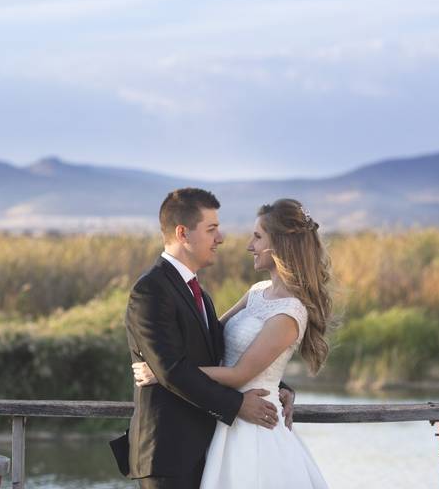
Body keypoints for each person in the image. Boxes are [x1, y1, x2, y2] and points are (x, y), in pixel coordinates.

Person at [132, 198, 334, 489]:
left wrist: (161, 374)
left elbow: (240, 373)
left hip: (254, 429)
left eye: (257, 237)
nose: (249, 245)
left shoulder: (290, 312)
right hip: (226, 420)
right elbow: (213, 337)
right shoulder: (257, 292)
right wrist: (281, 386)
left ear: (279, 244)